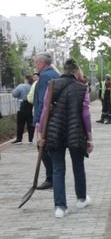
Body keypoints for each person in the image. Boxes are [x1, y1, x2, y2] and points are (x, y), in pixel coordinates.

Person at [37, 59, 93, 218]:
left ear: (64, 69)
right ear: (76, 71)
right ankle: (81, 199)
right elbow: (85, 115)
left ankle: (60, 208)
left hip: (55, 131)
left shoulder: (52, 85)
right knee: (78, 166)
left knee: (57, 169)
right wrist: (89, 138)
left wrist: (41, 133)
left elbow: (45, 110)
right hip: (75, 131)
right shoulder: (82, 88)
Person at [33, 52, 60, 190]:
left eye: (36, 63)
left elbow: (42, 101)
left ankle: (51, 178)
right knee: (51, 148)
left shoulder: (44, 77)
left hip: (46, 119)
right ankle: (55, 176)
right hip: (56, 118)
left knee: (42, 146)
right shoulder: (56, 74)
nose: (35, 65)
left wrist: (38, 122)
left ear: (42, 63)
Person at [11, 74, 35, 144]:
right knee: (30, 123)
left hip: (22, 105)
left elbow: (14, 94)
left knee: (20, 123)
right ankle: (30, 140)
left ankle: (19, 139)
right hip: (31, 106)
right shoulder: (33, 86)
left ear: (26, 80)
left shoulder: (21, 86)